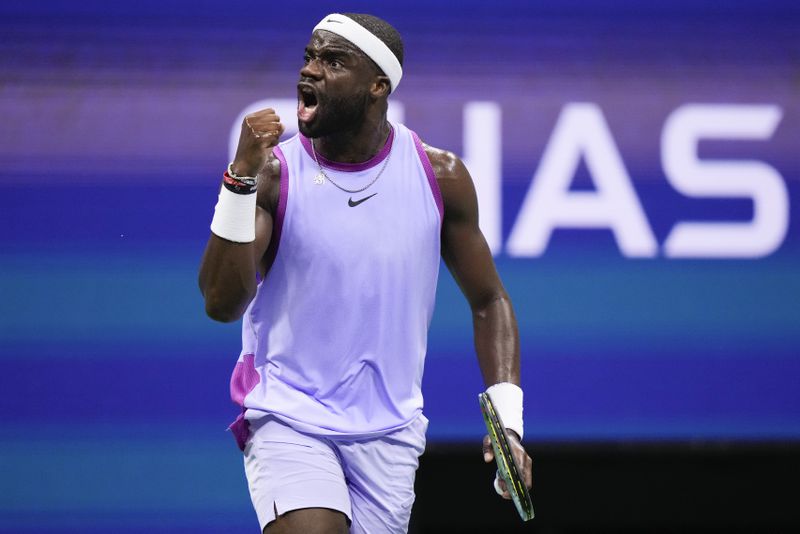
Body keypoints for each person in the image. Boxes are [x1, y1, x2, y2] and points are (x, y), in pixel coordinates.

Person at [199, 12, 532, 534]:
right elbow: (220, 303)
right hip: (291, 414)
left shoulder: (440, 177)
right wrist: (238, 181)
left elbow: (490, 300)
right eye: (310, 56)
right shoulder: (272, 175)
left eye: (333, 61)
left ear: (378, 87)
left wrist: (507, 422)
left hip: (391, 432)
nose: (310, 71)